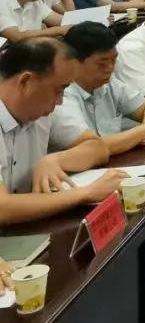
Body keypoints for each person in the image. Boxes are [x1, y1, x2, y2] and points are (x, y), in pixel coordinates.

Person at [0, 38, 123, 226]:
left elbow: (97, 148)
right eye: (59, 90)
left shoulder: (41, 109)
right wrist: (86, 193)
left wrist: (55, 160)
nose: (60, 101)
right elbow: (3, 208)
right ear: (25, 81)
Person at [57, 22, 145, 155]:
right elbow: (91, 147)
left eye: (113, 60)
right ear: (74, 62)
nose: (110, 68)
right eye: (102, 63)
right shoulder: (61, 96)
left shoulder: (109, 84)